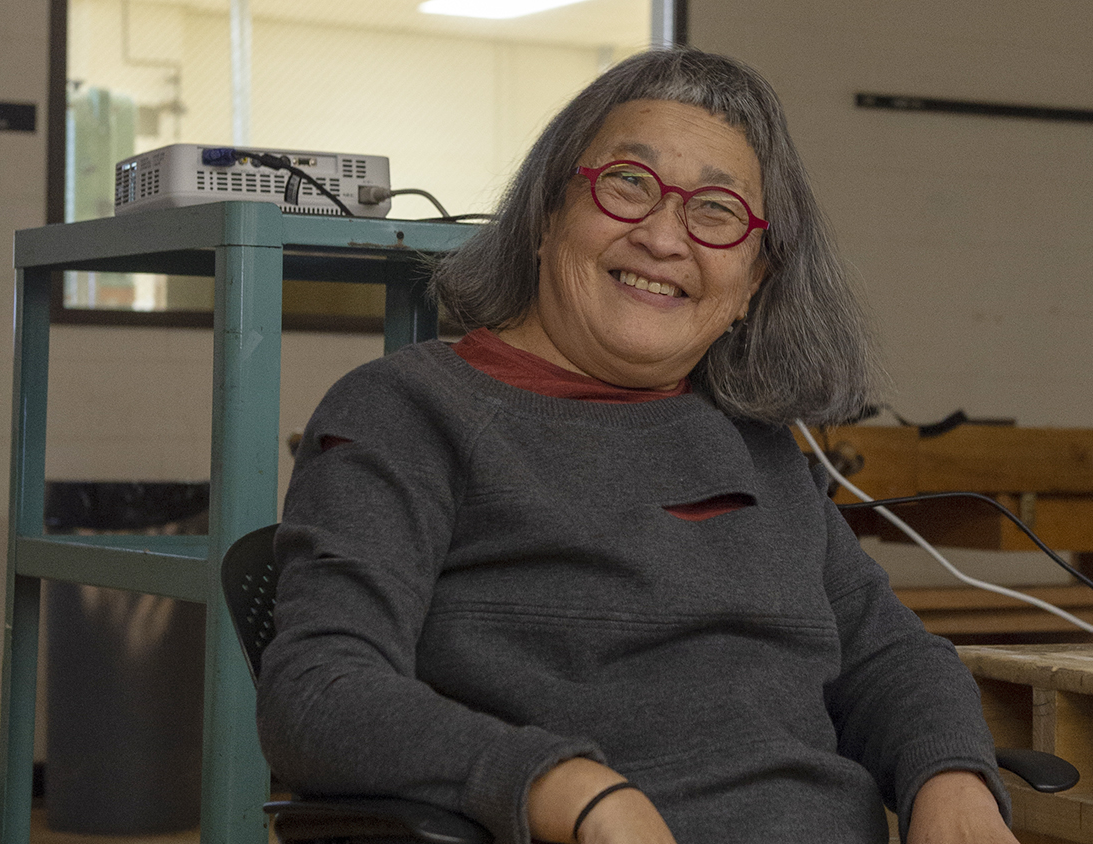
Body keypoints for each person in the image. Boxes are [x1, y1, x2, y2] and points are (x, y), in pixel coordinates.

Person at [257, 47, 1018, 844]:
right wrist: (566, 789)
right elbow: (318, 693)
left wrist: (953, 777)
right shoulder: (410, 411)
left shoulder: (754, 447)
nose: (663, 237)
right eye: (629, 183)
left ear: (752, 284)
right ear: (548, 216)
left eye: (717, 210)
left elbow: (890, 658)